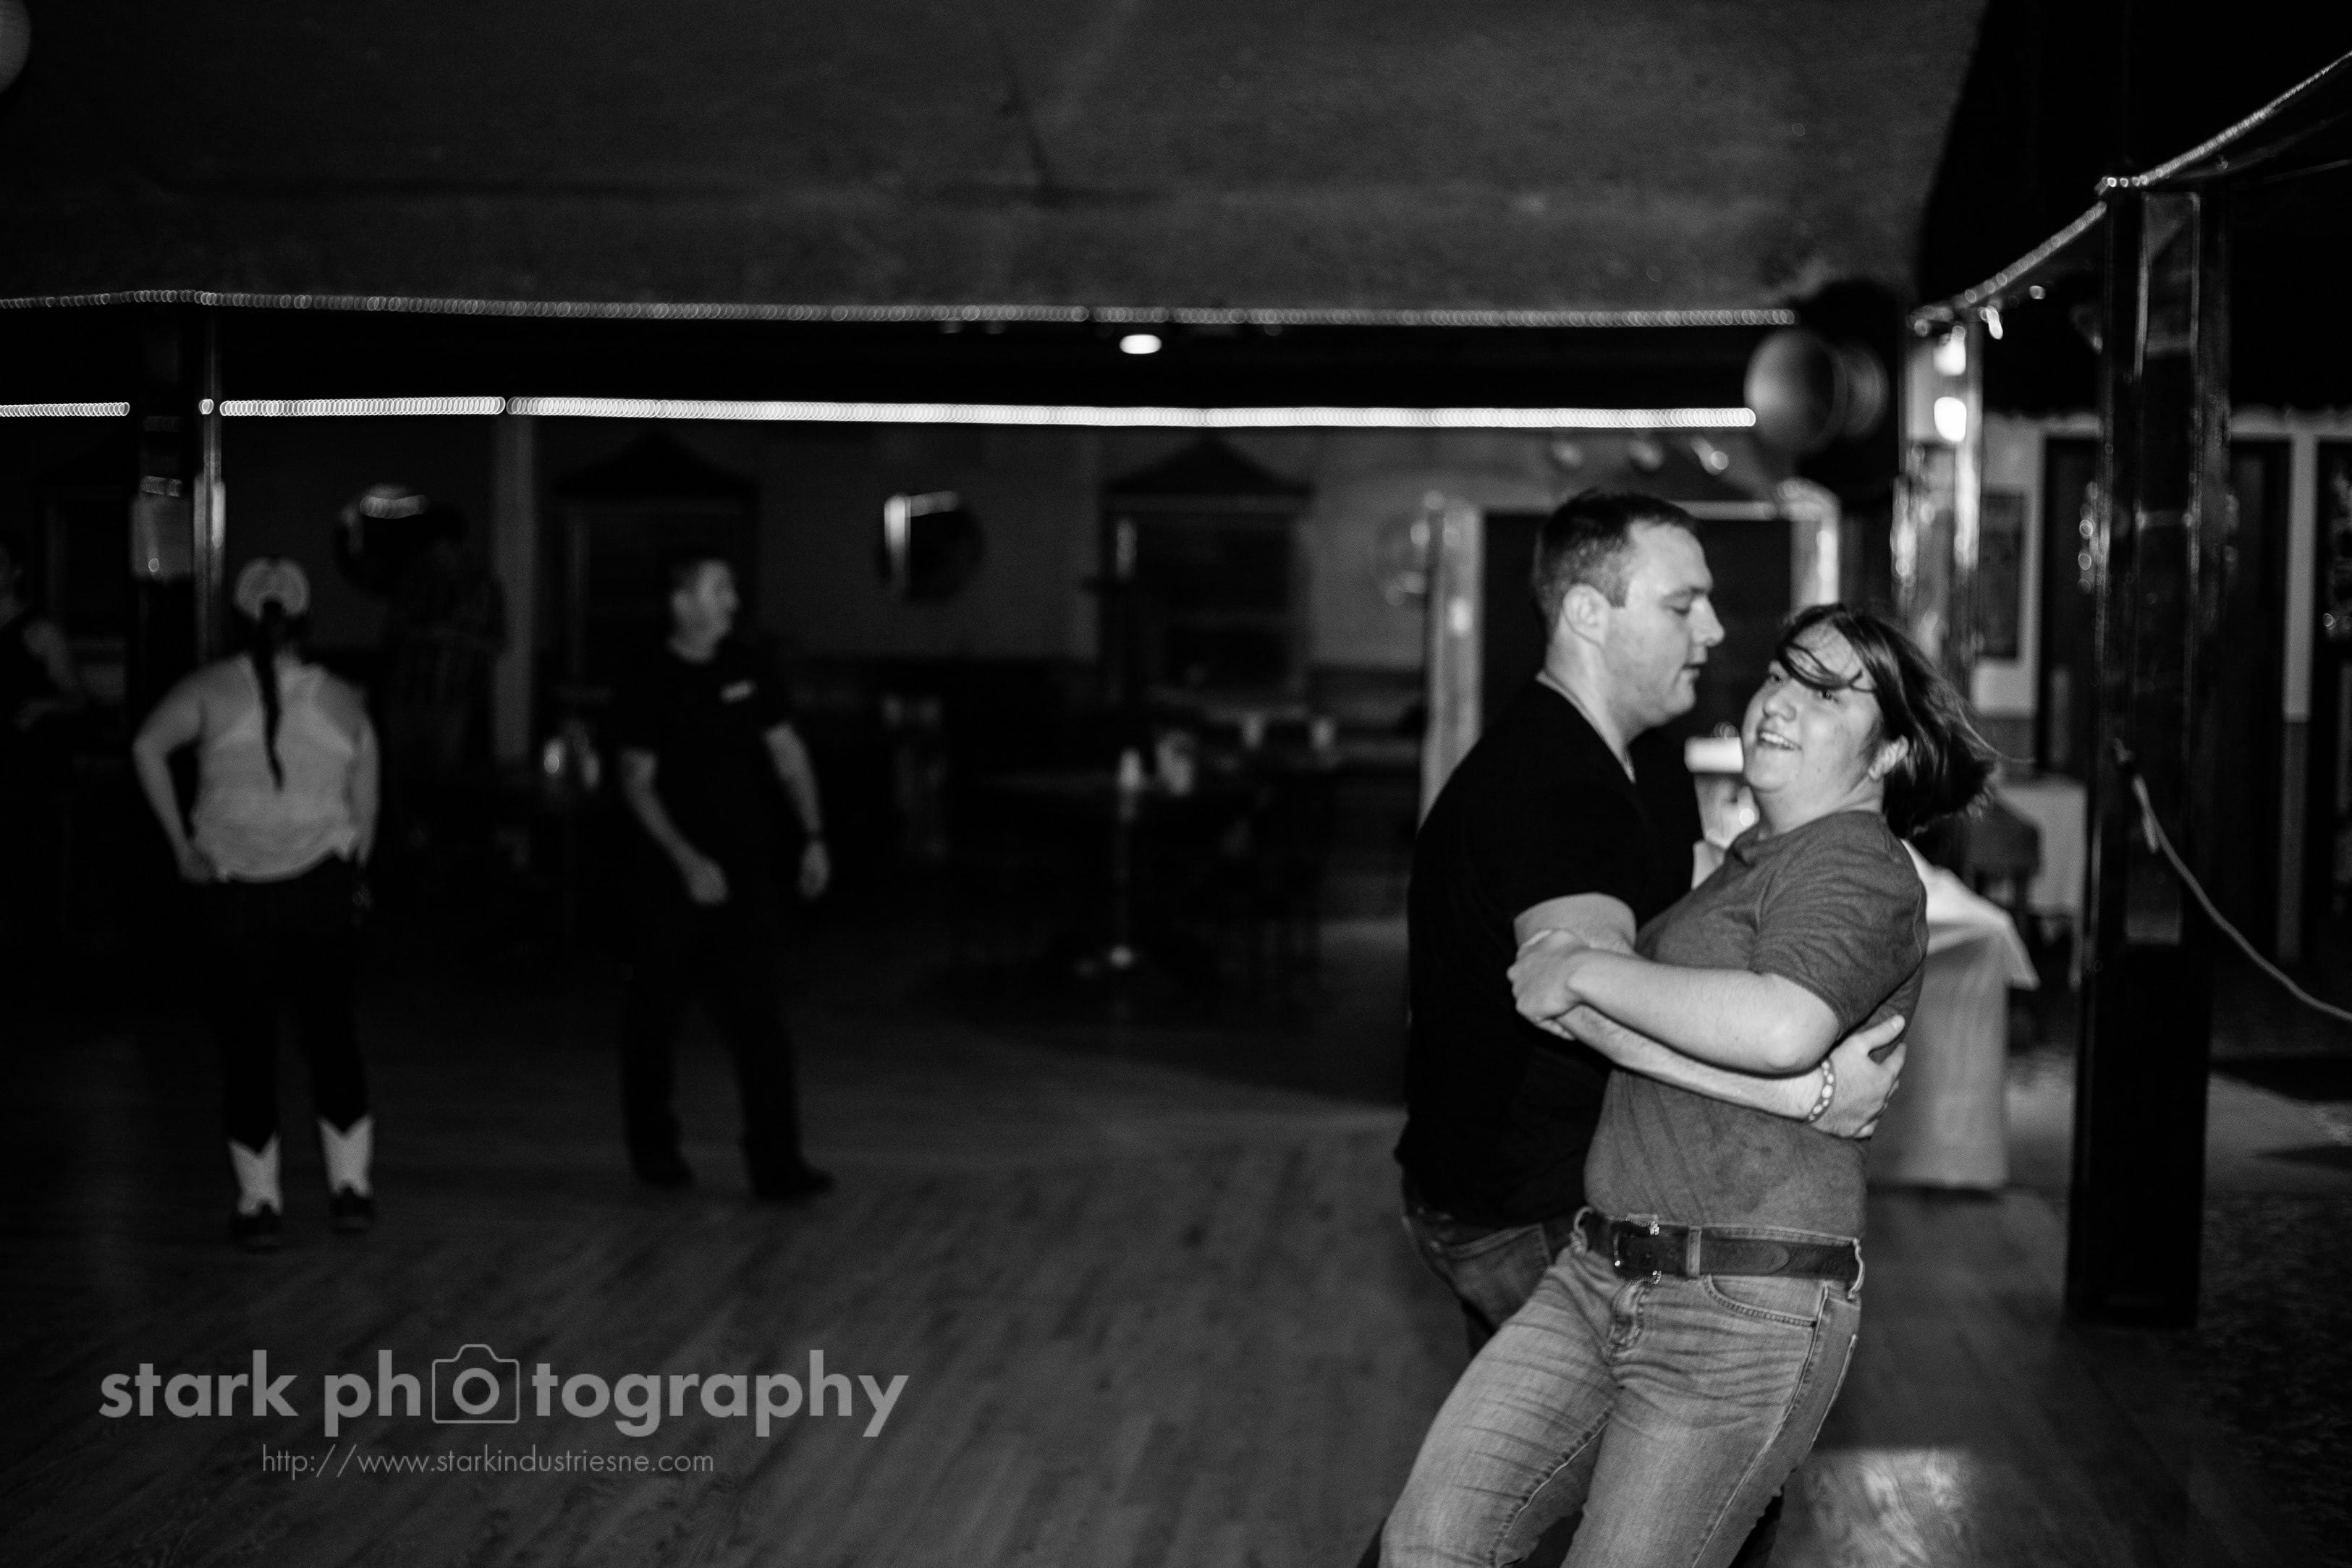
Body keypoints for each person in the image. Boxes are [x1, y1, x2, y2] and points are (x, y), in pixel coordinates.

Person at [1382, 603, 1994, 1568]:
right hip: (1598, 1273)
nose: (1779, 701)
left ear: (1889, 752)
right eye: (1780, 675)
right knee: (1430, 1539)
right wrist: (1796, 1097)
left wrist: (1584, 969)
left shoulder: (1856, 861)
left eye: (1825, 692)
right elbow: (1679, 1036)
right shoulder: (1745, 862)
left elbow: (1781, 1025)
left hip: (1737, 1306)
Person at [131, 558, 381, 1250]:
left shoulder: (207, 688)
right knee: (333, 1039)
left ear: (238, 622)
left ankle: (259, 1202)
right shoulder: (342, 697)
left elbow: (146, 746)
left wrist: (182, 845)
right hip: (320, 889)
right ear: (306, 622)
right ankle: (351, 1190)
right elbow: (366, 805)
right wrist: (351, 871)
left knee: (247, 1047)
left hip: (234, 892)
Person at [609, 553, 834, 1201]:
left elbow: (788, 754)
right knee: (654, 1015)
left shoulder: (748, 666)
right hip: (667, 876)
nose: (733, 601)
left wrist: (813, 835)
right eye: (719, 589)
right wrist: (686, 860)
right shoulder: (649, 677)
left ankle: (777, 1161)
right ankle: (654, 1147)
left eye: (732, 588)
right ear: (682, 602)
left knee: (761, 1017)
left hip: (745, 871)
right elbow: (637, 782)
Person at [0, 530, 88, 946]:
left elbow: (77, 697)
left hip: (26, 776)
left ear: (15, 571)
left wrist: (43, 706)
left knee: (29, 878)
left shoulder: (39, 632)